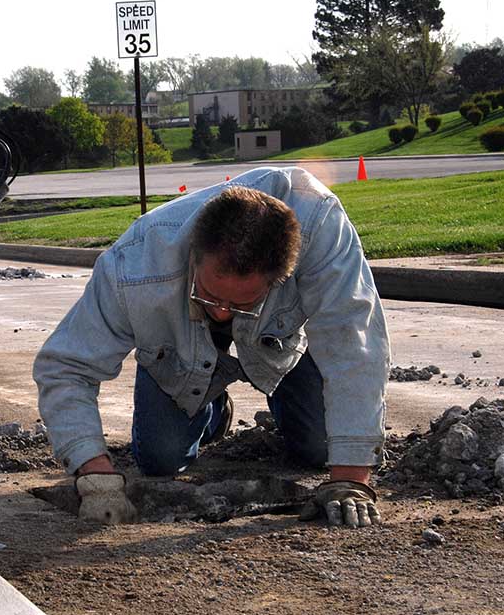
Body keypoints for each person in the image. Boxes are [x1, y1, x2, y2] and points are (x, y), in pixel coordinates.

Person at [33, 167, 389, 529]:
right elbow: (66, 366)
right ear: (194, 256)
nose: (221, 312)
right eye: (211, 295)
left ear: (281, 278)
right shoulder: (134, 265)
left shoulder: (321, 228)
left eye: (240, 303)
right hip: (181, 346)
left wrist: (350, 477)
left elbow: (353, 344)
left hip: (277, 340)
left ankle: (280, 392)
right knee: (162, 460)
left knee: (320, 448)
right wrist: (93, 473)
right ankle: (214, 407)